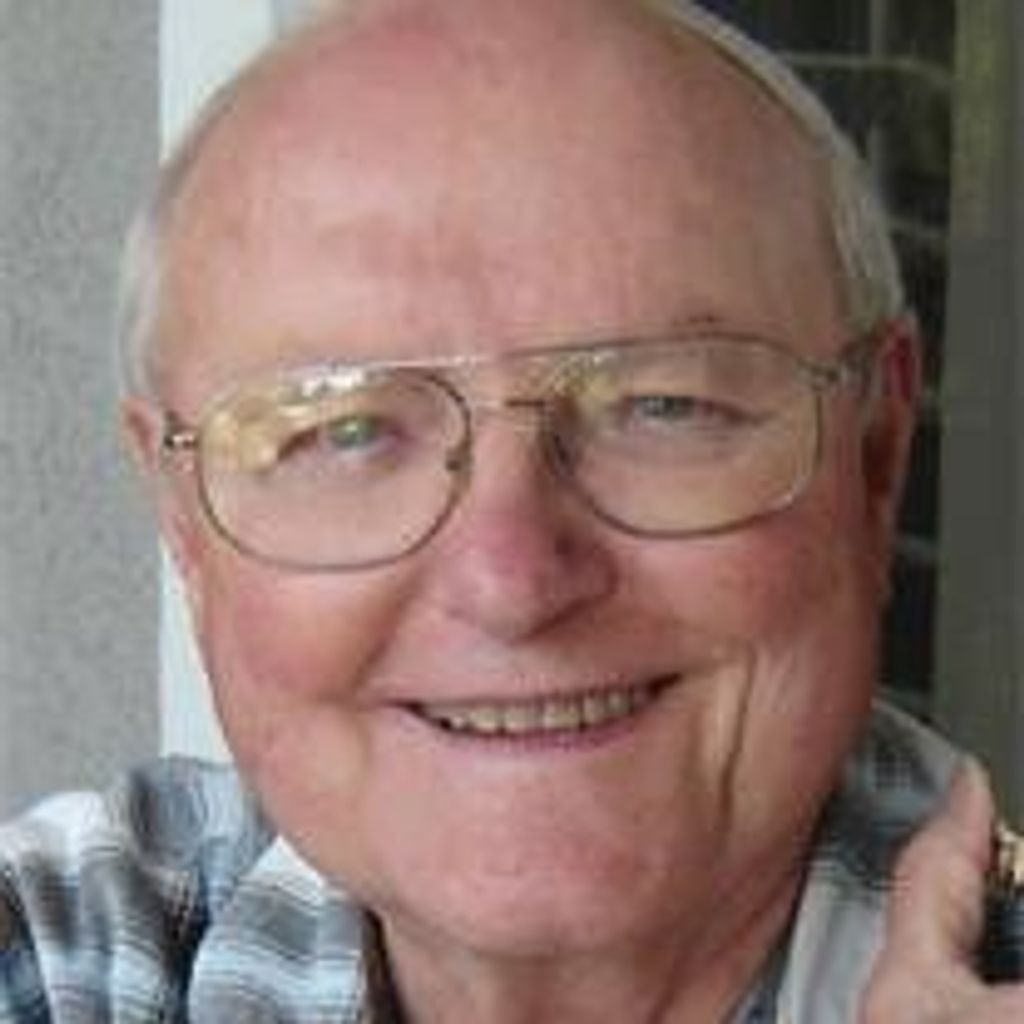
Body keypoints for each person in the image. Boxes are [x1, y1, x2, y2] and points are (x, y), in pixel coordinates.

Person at [1, 0, 1022, 1020]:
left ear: (876, 454)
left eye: (662, 407)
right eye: (345, 431)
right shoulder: (74, 952)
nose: (510, 581)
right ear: (183, 523)